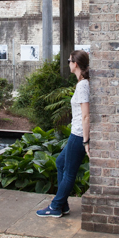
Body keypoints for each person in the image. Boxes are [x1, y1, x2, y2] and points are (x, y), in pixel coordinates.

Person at [36, 50, 90, 218]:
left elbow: (86, 115)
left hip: (79, 135)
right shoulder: (84, 83)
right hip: (78, 134)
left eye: (69, 60)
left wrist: (86, 141)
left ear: (75, 64)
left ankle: (56, 206)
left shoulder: (82, 85)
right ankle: (63, 204)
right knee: (60, 163)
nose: (68, 63)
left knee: (69, 172)